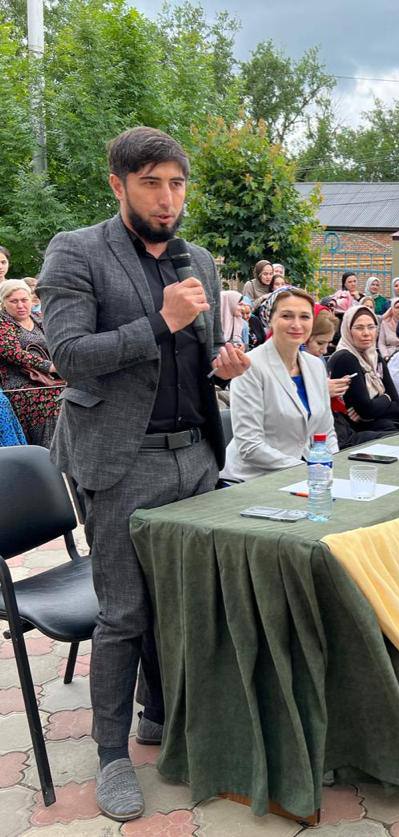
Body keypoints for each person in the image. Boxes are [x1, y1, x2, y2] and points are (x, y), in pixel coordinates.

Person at [37, 126, 250, 821]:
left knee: (185, 603)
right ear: (118, 185)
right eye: (151, 183)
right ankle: (111, 754)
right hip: (120, 460)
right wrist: (160, 321)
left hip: (197, 454)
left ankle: (162, 711)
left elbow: (198, 355)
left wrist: (222, 366)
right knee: (125, 613)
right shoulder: (77, 250)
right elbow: (69, 355)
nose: (167, 198)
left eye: (177, 183)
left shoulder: (199, 261)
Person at [221, 289, 335, 482]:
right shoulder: (250, 366)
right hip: (251, 480)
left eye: (305, 317)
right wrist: (308, 470)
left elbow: (326, 432)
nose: (297, 324)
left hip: (304, 477)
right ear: (270, 319)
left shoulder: (316, 366)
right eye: (286, 316)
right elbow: (250, 446)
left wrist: (330, 467)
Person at [0, 278, 63, 446]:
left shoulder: (38, 318)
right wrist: (48, 366)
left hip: (51, 379)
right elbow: (12, 352)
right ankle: (47, 451)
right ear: (3, 303)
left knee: (77, 393)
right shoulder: (3, 322)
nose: (20, 305)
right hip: (19, 384)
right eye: (14, 301)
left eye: (24, 300)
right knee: (52, 400)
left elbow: (58, 342)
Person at [328, 306, 399, 433]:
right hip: (356, 432)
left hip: (380, 425)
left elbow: (396, 405)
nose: (366, 333)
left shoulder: (375, 358)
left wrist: (374, 407)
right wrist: (387, 398)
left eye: (371, 327)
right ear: (348, 330)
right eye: (359, 328)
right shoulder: (345, 358)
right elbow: (367, 410)